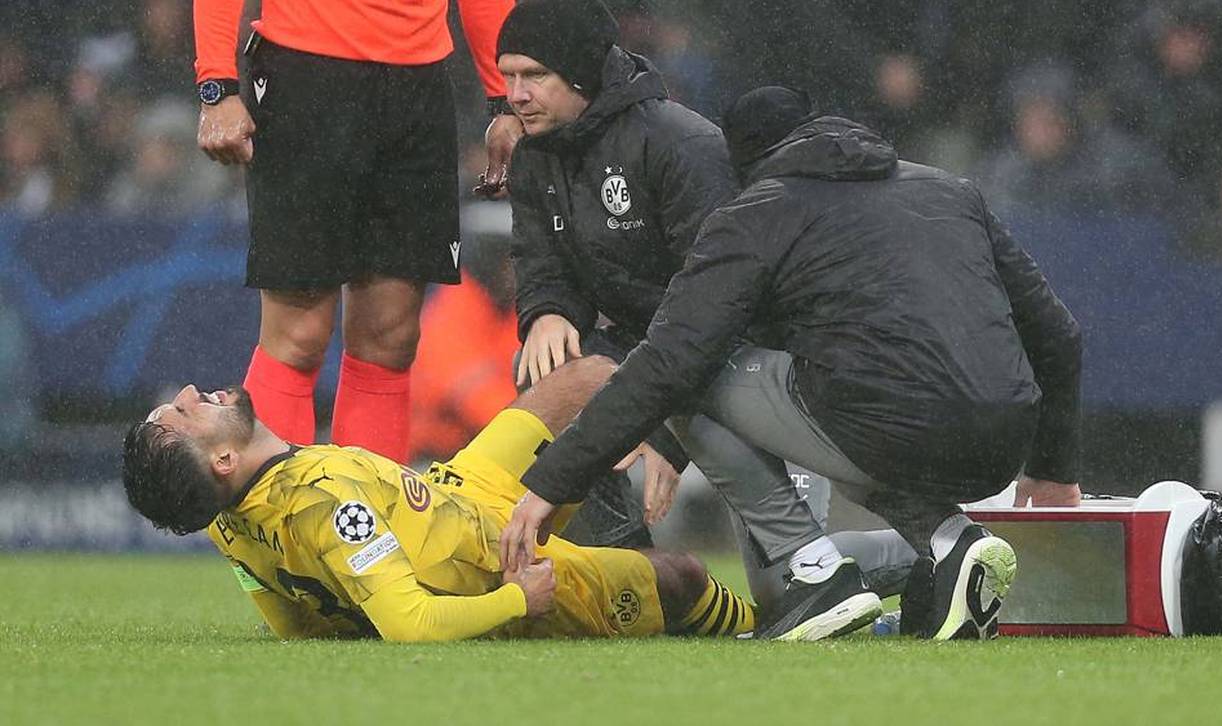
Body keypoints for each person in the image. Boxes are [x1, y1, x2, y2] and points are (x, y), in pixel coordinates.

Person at [502, 86, 1085, 641]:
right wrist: (1051, 466)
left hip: (881, 421)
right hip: (1001, 443)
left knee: (693, 370)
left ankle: (812, 567)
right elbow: (1057, 334)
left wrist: (553, 482)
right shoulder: (950, 190)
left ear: (740, 162)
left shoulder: (760, 209)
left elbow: (671, 359)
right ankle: (950, 540)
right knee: (867, 406)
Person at [496, 0, 877, 639]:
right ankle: (627, 572)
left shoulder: (682, 145)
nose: (515, 95)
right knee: (547, 367)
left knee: (785, 593)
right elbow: (538, 255)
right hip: (651, 354)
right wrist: (547, 311)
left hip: (743, 357)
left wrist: (670, 432)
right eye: (507, 76)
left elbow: (732, 307)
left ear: (581, 74)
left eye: (533, 75)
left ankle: (931, 556)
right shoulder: (535, 154)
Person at [120, 356, 756, 641]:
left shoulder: (226, 525)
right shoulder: (323, 504)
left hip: (459, 488)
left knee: (587, 380)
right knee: (682, 577)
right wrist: (516, 599)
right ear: (223, 461)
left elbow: (289, 621)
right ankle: (767, 624)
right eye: (185, 413)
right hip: (491, 561)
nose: (192, 392)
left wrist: (347, 607)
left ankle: (667, 440)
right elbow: (409, 624)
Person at [193, 0, 524, 464]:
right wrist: (216, 85)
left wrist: (506, 97)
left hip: (418, 83)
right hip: (304, 72)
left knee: (390, 336)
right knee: (298, 333)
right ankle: (271, 506)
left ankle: (366, 508)